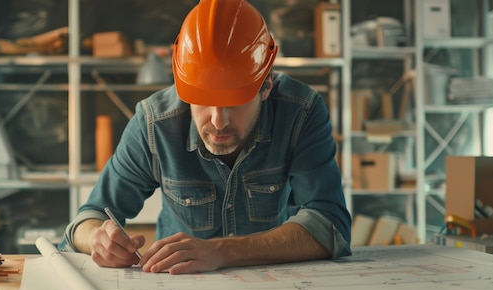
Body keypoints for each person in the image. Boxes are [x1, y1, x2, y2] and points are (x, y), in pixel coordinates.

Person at [58, 0, 352, 274]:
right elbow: (88, 217)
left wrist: (223, 252)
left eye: (234, 103)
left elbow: (329, 225)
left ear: (266, 86)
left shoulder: (301, 113)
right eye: (201, 100)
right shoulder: (153, 123)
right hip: (178, 289)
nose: (218, 121)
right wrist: (99, 238)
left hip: (276, 283)